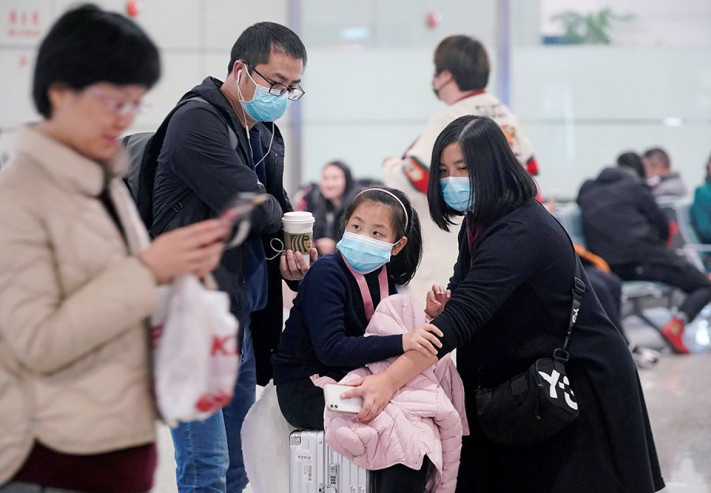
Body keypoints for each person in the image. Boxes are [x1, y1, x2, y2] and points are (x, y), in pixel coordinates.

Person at [345, 115, 664, 492]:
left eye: (463, 169)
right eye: (444, 171)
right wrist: (446, 304)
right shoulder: (480, 220)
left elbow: (462, 320)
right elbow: (465, 293)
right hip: (520, 384)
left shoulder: (519, 230)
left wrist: (387, 381)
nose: (452, 181)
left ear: (492, 166)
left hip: (571, 384)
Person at [0, 5, 228, 492]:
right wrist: (148, 271)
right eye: (112, 101)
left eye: (134, 104)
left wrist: (181, 273)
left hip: (116, 446)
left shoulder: (103, 184)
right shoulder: (18, 198)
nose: (123, 118)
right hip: (51, 460)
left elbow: (118, 300)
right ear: (59, 92)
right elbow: (37, 341)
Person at [149, 22, 313, 492]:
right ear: (241, 70)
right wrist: (272, 210)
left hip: (239, 320)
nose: (281, 96)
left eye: (292, 87)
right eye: (275, 82)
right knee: (207, 467)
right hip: (191, 321)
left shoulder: (263, 134)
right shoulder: (196, 122)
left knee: (238, 465)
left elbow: (279, 211)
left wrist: (291, 255)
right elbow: (251, 206)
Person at [272, 187, 441, 492]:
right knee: (394, 432)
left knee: (422, 419)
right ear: (344, 225)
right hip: (305, 385)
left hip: (351, 378)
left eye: (377, 233)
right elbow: (331, 349)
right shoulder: (326, 273)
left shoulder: (385, 277)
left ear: (397, 245)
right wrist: (404, 340)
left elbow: (389, 333)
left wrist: (428, 317)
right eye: (356, 226)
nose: (363, 237)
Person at [383, 35, 537, 304]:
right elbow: (530, 169)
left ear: (445, 75)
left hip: (450, 240)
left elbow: (418, 176)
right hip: (503, 235)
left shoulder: (449, 118)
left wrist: (391, 166)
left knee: (445, 312)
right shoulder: (505, 114)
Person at [577, 153, 711, 354]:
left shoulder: (587, 189)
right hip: (643, 258)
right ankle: (675, 327)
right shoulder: (636, 187)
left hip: (605, 267)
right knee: (705, 285)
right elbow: (662, 228)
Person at [297, 160, 359, 255]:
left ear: (346, 180)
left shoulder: (357, 205)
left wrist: (335, 246)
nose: (329, 184)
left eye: (335, 178)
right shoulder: (315, 199)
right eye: (325, 178)